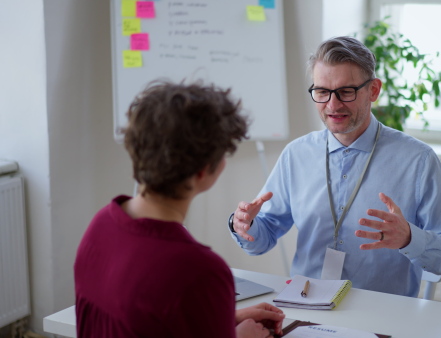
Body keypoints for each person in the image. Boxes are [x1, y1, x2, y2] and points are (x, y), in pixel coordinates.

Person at [228, 36, 441, 297]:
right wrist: (244, 225)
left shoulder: (418, 161)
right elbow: (261, 240)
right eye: (322, 92)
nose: (333, 105)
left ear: (374, 90)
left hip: (383, 316)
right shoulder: (296, 155)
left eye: (346, 92)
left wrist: (409, 238)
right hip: (305, 307)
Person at [74, 80, 285, 338]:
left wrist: (221, 319)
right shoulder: (200, 271)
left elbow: (142, 321)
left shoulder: (100, 225)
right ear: (205, 171)